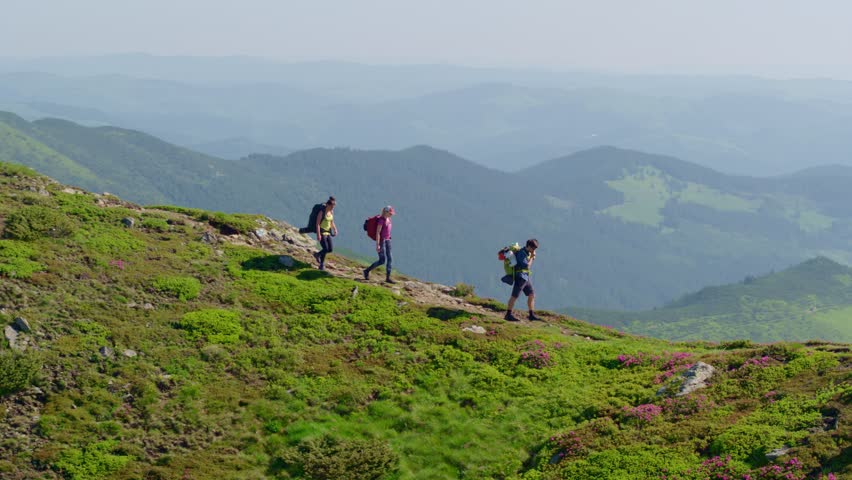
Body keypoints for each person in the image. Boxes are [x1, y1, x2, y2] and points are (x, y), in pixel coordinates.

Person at [505, 238, 541, 322]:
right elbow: (527, 266)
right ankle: (508, 314)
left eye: (535, 249)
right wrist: (532, 258)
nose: (534, 250)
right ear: (528, 246)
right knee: (514, 296)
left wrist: (531, 256)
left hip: (525, 277)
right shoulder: (521, 253)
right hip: (520, 277)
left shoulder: (526, 252)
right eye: (533, 248)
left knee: (531, 294)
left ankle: (531, 315)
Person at [363, 205, 395, 283]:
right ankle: (366, 271)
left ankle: (388, 278)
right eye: (390, 213)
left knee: (390, 258)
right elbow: (378, 233)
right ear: (386, 212)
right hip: (382, 241)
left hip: (388, 241)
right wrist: (378, 244)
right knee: (382, 260)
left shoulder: (389, 220)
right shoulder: (381, 220)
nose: (391, 214)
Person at [312, 196, 337, 270]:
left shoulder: (331, 212)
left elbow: (332, 222)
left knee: (330, 249)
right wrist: (318, 234)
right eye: (332, 206)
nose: (333, 208)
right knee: (325, 249)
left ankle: (317, 254)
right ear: (328, 205)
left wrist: (335, 229)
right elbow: (318, 224)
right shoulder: (321, 212)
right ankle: (321, 265)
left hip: (328, 232)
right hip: (322, 232)